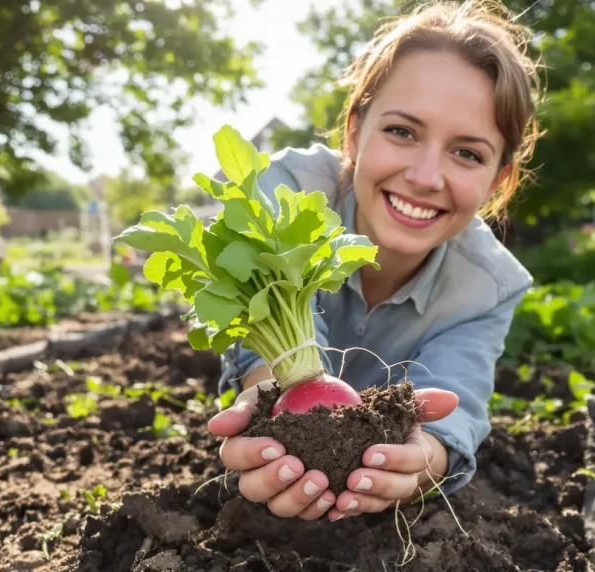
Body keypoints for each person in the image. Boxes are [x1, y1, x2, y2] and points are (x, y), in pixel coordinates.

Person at [206, 0, 539, 523]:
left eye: (467, 154)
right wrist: (272, 401)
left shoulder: (489, 285)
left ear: (497, 181)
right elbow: (262, 338)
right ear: (355, 132)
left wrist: (420, 460)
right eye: (402, 132)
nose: (427, 176)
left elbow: (456, 404)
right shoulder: (282, 192)